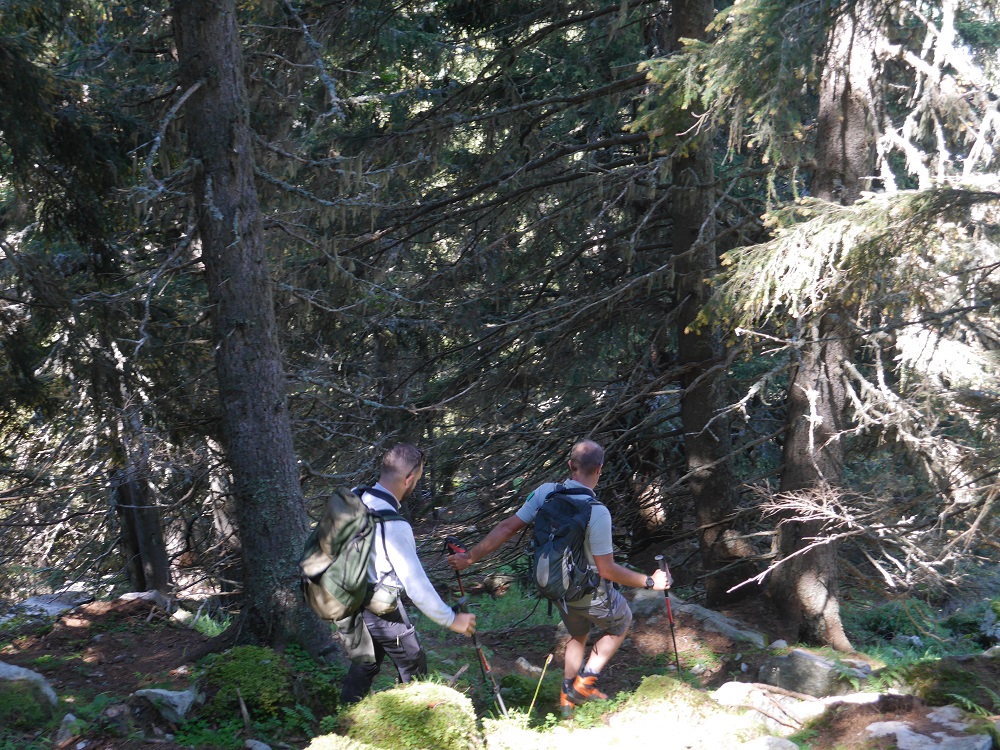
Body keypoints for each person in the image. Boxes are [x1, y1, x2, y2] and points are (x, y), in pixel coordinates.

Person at [447, 439, 670, 714]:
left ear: (569, 466)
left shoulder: (545, 493)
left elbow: (506, 528)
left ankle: (567, 698)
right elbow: (607, 570)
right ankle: (583, 684)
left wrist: (469, 557)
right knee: (620, 623)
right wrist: (650, 582)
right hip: (586, 592)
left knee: (577, 634)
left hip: (555, 588)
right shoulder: (597, 513)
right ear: (599, 470)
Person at [341, 443, 477, 704]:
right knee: (413, 661)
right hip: (377, 604)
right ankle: (416, 722)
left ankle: (342, 720)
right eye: (418, 480)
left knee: (367, 663)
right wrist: (451, 619)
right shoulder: (394, 525)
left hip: (350, 594)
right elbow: (417, 587)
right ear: (410, 479)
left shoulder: (357, 497)